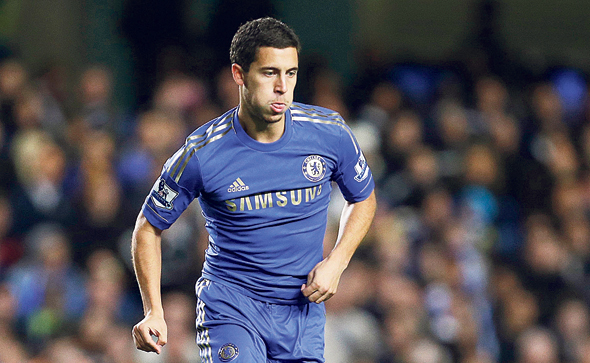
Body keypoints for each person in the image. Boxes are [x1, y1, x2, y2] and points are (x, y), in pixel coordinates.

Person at [131, 17, 376, 362]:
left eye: (290, 73)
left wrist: (338, 260)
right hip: (231, 310)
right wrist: (153, 309)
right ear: (239, 74)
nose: (282, 87)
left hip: (301, 314)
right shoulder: (202, 153)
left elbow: (363, 197)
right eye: (269, 72)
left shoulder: (330, 134)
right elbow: (148, 227)